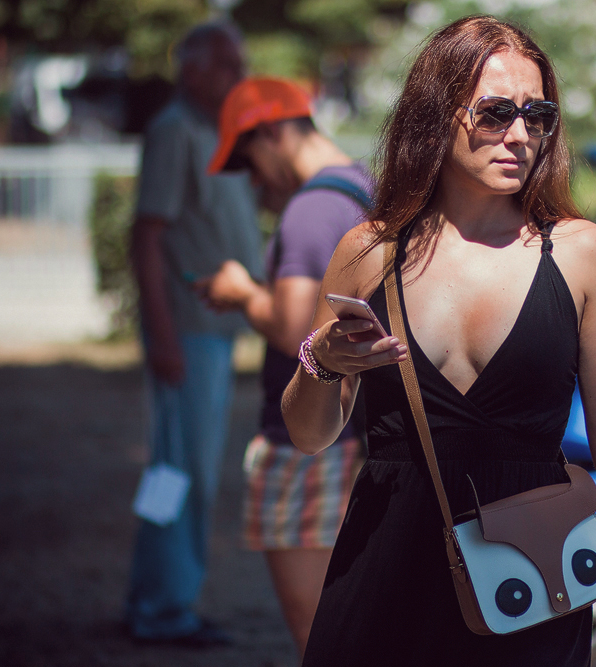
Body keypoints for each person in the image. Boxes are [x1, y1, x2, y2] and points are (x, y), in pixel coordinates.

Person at [280, 15, 596, 667]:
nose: (520, 134)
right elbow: (309, 436)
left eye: (538, 115)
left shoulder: (580, 254)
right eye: (496, 113)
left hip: (531, 579)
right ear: (437, 116)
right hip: (387, 574)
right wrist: (320, 362)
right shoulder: (369, 252)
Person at [197, 77, 373, 652]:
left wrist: (241, 292)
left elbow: (299, 330)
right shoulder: (364, 185)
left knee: (319, 636)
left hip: (306, 446)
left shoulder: (311, 209)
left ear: (271, 132)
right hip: (353, 434)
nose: (253, 183)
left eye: (247, 162)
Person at [126, 21, 262, 646]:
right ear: (194, 69)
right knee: (180, 475)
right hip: (187, 334)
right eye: (227, 64)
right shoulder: (175, 130)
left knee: (175, 471)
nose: (239, 76)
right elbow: (146, 236)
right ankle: (162, 608)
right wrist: (163, 335)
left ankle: (152, 599)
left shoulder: (213, 131)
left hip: (210, 333)